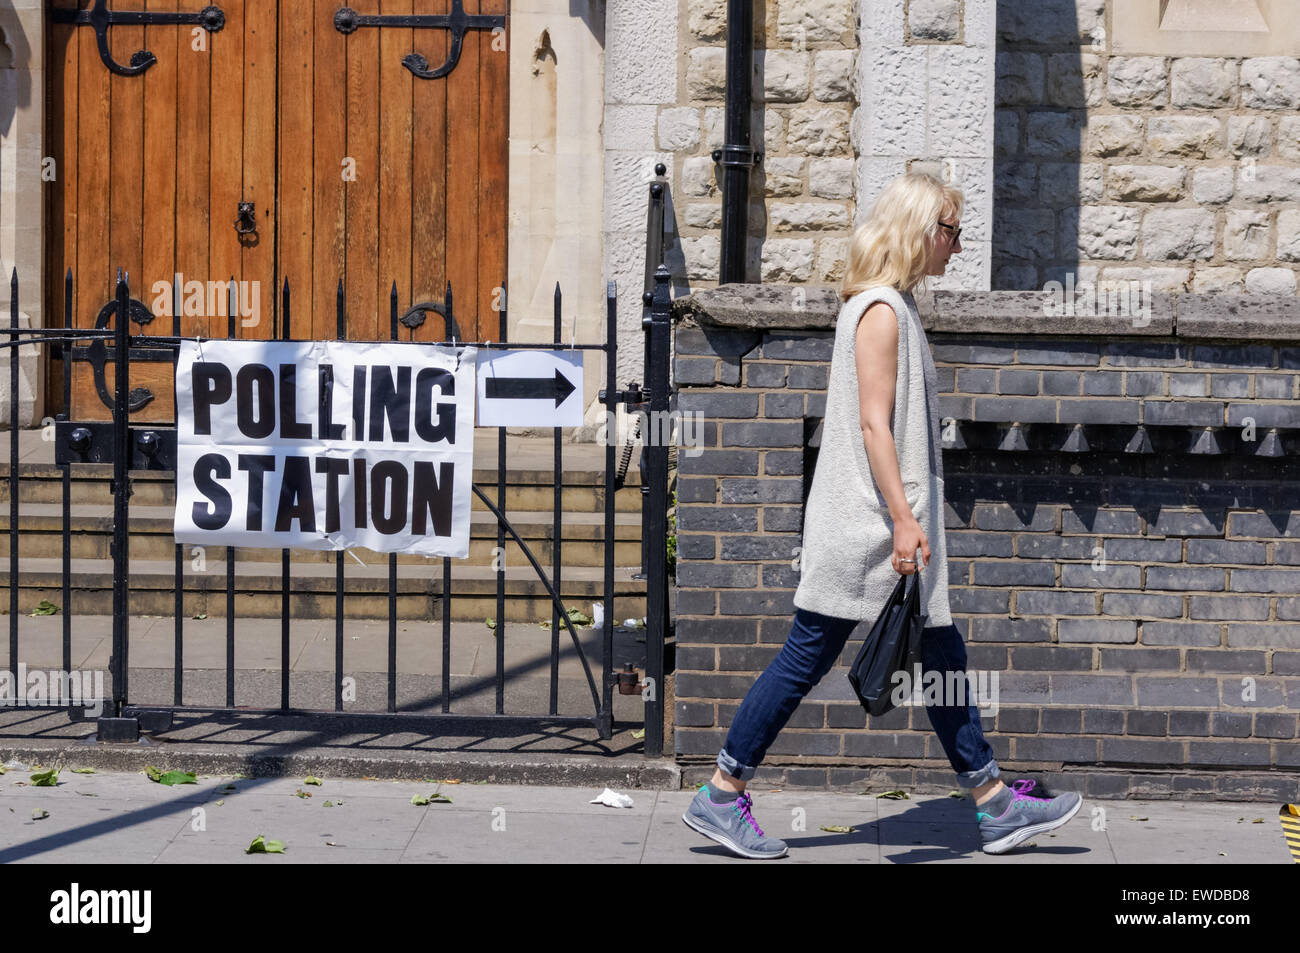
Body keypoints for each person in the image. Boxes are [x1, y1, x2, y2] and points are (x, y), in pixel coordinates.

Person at [681, 171, 1083, 859]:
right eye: (949, 230)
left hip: (877, 521)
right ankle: (721, 790)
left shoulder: (890, 306)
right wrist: (902, 517)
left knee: (940, 652)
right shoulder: (880, 311)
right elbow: (874, 425)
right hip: (867, 525)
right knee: (807, 655)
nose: (956, 246)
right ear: (916, 230)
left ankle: (992, 802)